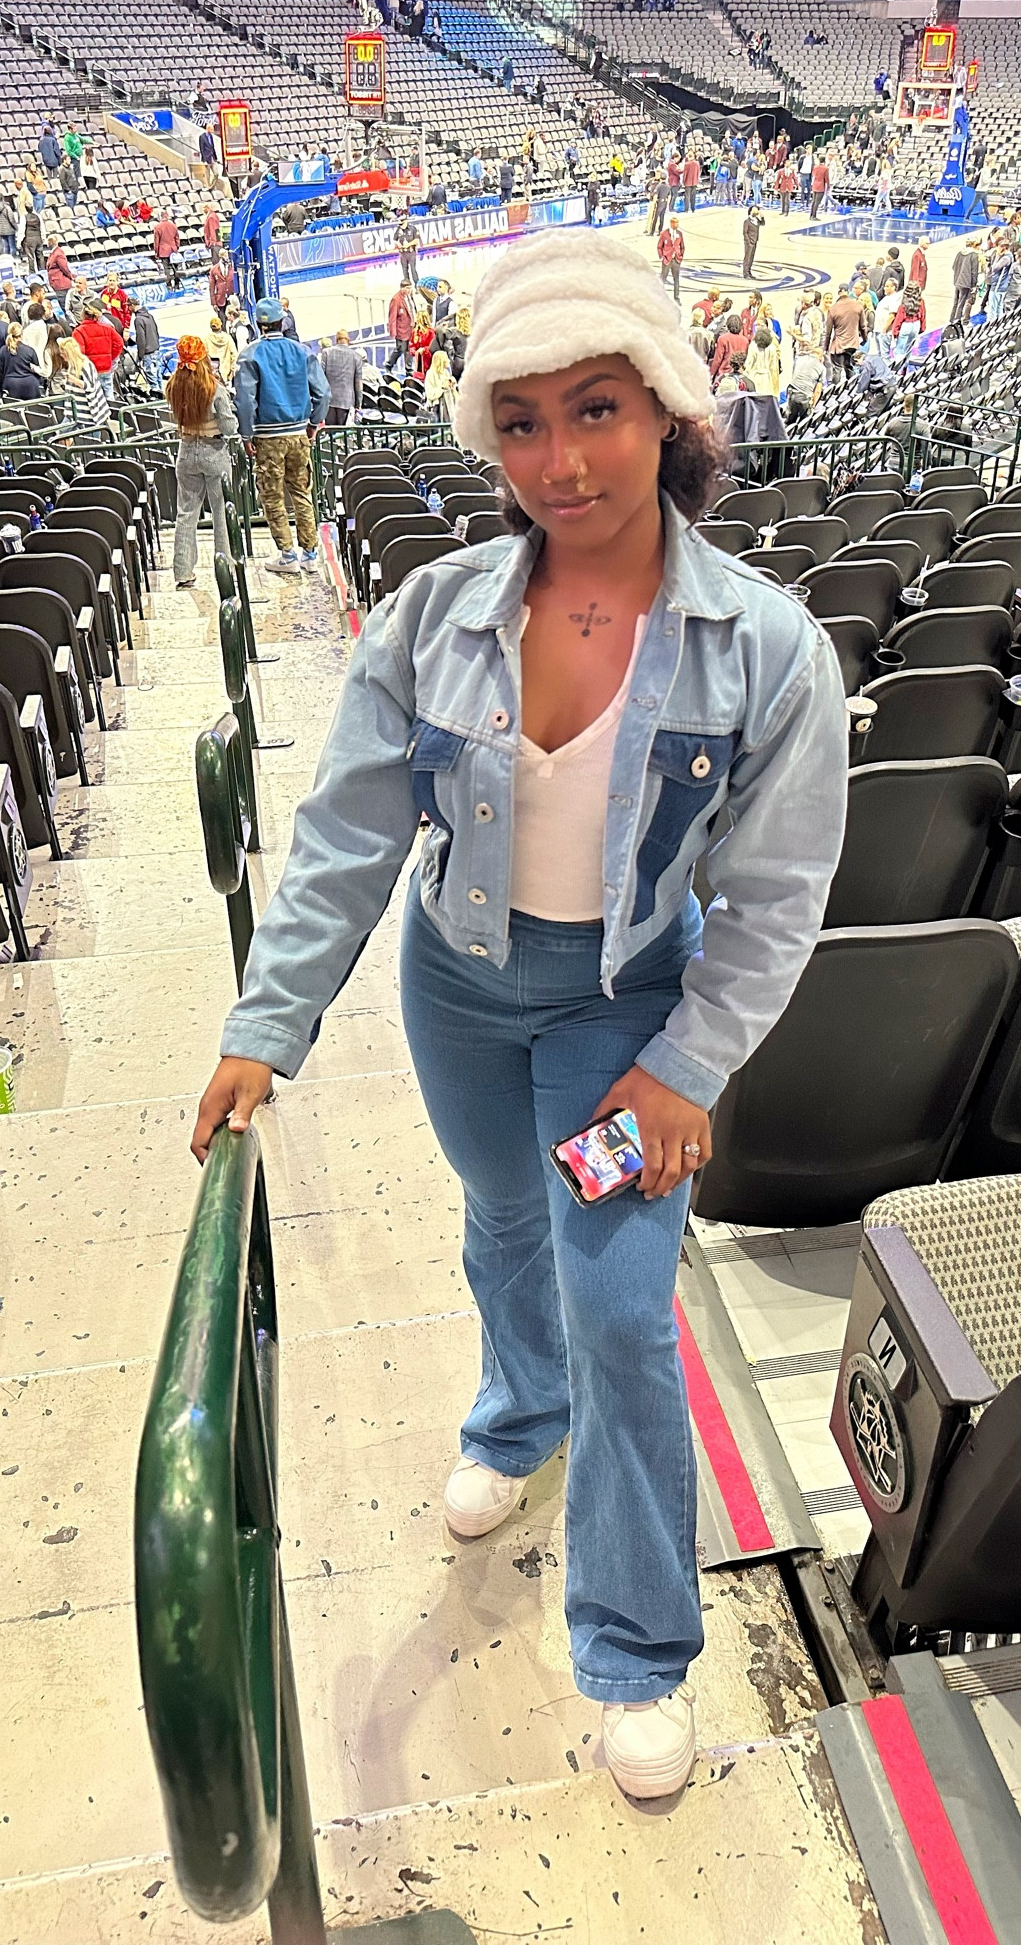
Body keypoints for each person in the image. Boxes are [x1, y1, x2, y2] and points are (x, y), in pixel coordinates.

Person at [193, 231, 847, 1800]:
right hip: (460, 992)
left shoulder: (765, 649)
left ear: (671, 418)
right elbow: (351, 837)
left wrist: (687, 1066)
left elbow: (777, 896)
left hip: (624, 1022)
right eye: (527, 420)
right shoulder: (434, 617)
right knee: (500, 1218)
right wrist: (266, 1024)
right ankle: (516, 1402)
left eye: (599, 409)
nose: (562, 459)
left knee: (625, 1310)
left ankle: (637, 1645)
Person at [234, 294, 330, 570]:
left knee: (272, 495)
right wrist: (313, 423)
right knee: (302, 491)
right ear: (282, 321)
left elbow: (244, 400)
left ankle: (287, 554)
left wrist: (246, 435)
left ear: (259, 325)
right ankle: (310, 554)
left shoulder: (250, 355)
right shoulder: (302, 351)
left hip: (267, 438)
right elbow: (322, 393)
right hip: (299, 433)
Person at [165, 334, 238, 590]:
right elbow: (229, 427)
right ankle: (225, 565)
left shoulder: (172, 386)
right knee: (220, 511)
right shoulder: (214, 387)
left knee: (186, 513)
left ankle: (183, 572)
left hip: (185, 452)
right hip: (214, 453)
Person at [51, 333, 109, 428]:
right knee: (62, 433)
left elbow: (90, 386)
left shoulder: (85, 365)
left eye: (62, 353)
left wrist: (72, 379)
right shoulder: (71, 364)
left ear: (68, 353)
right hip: (74, 409)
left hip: (90, 412)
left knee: (92, 440)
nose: (61, 355)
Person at [73, 301, 125, 399]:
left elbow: (80, 353)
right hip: (106, 368)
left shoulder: (79, 331)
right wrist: (109, 358)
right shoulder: (108, 328)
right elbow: (119, 344)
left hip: (90, 370)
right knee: (109, 394)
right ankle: (113, 412)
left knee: (94, 397)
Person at [320, 328, 367, 425]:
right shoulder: (356, 357)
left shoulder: (326, 353)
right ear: (348, 341)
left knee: (331, 434)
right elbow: (358, 384)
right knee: (343, 434)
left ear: (336, 340)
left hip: (329, 401)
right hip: (347, 402)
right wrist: (358, 403)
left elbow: (321, 377)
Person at [0, 324, 46, 401]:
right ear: (21, 334)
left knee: (12, 412)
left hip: (10, 385)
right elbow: (36, 369)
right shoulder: (29, 350)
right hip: (30, 385)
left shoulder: (3, 350)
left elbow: (1, 369)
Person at [949, 239, 981, 330]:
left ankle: (951, 319)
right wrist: (974, 285)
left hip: (957, 280)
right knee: (961, 303)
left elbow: (953, 267)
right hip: (966, 282)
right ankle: (957, 321)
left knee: (955, 302)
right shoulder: (973, 255)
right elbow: (974, 272)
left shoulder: (960, 253)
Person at [133, 303, 163, 392]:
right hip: (156, 349)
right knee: (158, 376)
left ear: (132, 305)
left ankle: (157, 397)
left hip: (148, 353)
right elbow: (156, 332)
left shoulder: (138, 320)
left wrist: (140, 355)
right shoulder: (149, 316)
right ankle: (162, 396)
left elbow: (141, 338)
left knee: (152, 379)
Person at [423, 346, 457, 424]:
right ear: (441, 361)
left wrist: (453, 386)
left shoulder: (446, 372)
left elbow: (454, 394)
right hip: (436, 409)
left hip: (448, 407)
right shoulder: (430, 374)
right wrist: (442, 387)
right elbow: (430, 395)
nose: (448, 361)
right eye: (446, 359)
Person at [153, 208, 182, 292]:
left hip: (163, 250)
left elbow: (156, 242)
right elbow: (177, 238)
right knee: (175, 268)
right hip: (173, 249)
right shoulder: (173, 225)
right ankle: (177, 283)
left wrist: (156, 252)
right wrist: (176, 247)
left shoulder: (157, 227)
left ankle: (169, 285)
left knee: (167, 269)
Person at [656, 219, 684, 304]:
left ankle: (676, 297)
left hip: (676, 260)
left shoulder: (679, 234)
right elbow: (659, 247)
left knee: (676, 279)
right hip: (667, 260)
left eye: (677, 223)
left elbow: (682, 246)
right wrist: (662, 257)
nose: (677, 225)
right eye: (675, 223)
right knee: (663, 279)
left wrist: (680, 256)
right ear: (671, 223)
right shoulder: (664, 234)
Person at [741, 205, 761, 281]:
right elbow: (745, 232)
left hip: (755, 241)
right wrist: (748, 241)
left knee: (751, 258)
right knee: (747, 257)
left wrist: (761, 214)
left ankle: (749, 271)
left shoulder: (757, 221)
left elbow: (763, 222)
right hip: (749, 242)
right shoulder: (747, 221)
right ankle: (745, 273)